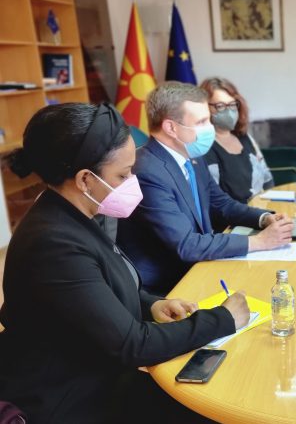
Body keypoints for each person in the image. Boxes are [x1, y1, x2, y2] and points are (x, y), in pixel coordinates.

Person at [0, 103, 251, 422]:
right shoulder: (53, 243)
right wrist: (224, 319)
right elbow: (133, 345)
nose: (133, 181)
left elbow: (97, 289)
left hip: (99, 372)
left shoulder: (77, 212)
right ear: (85, 179)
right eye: (123, 174)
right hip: (68, 398)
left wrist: (151, 305)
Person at [117, 82, 294, 296]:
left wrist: (263, 218)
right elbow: (186, 244)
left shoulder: (191, 156)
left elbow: (221, 203)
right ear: (171, 128)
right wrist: (259, 241)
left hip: (200, 265)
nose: (210, 128)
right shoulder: (146, 171)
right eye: (201, 122)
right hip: (167, 288)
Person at [200, 77, 274, 206]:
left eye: (232, 104)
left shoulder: (245, 137)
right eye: (220, 106)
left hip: (263, 209)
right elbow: (214, 199)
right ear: (205, 107)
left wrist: (271, 209)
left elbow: (267, 178)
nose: (229, 111)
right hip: (233, 216)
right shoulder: (203, 146)